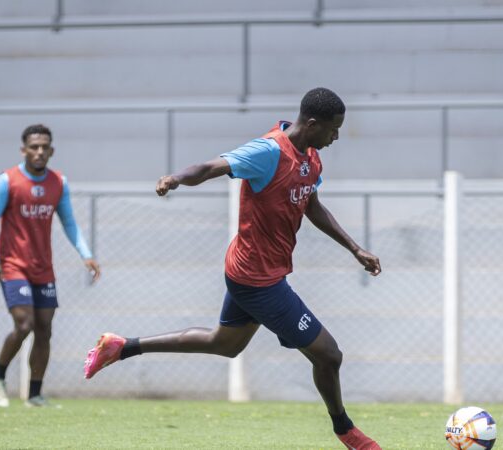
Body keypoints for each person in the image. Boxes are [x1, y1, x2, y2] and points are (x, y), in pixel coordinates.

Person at [84, 88, 382, 450]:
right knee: (329, 354)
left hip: (253, 272)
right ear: (314, 123)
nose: (336, 137)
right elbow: (211, 167)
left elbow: (311, 204)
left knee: (223, 344)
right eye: (334, 130)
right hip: (259, 281)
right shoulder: (268, 151)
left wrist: (355, 248)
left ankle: (121, 346)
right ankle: (346, 431)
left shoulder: (312, 158)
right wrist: (176, 178)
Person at [0, 124, 101, 408]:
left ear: (51, 150)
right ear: (23, 150)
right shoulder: (7, 181)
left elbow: (69, 222)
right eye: (33, 147)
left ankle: (34, 394)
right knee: (24, 324)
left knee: (44, 330)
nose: (39, 151)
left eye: (44, 147)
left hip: (43, 268)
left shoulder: (59, 183)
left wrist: (86, 254)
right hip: (12, 266)